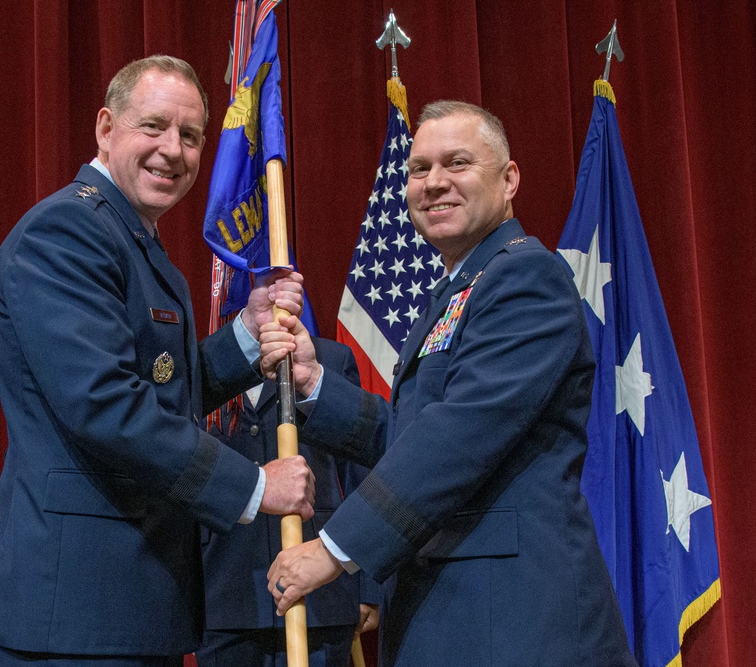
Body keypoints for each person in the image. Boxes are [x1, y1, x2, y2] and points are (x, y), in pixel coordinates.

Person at [259, 101, 637, 666]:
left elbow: (459, 435)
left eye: (457, 164)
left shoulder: (525, 277)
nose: (434, 183)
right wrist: (316, 383)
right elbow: (412, 435)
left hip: (515, 622)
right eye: (419, 169)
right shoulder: (457, 288)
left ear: (509, 179)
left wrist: (335, 551)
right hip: (453, 615)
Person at [0, 55, 316, 667]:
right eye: (153, 127)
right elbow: (104, 404)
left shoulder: (134, 242)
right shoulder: (67, 233)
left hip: (130, 605)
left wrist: (247, 330)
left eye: (189, 136)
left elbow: (163, 388)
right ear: (106, 129)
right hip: (77, 612)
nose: (172, 150)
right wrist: (254, 484)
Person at [196, 337, 379, 667]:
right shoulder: (204, 361)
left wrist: (369, 587)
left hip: (323, 592)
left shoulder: (330, 359)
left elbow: (359, 470)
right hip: (225, 585)